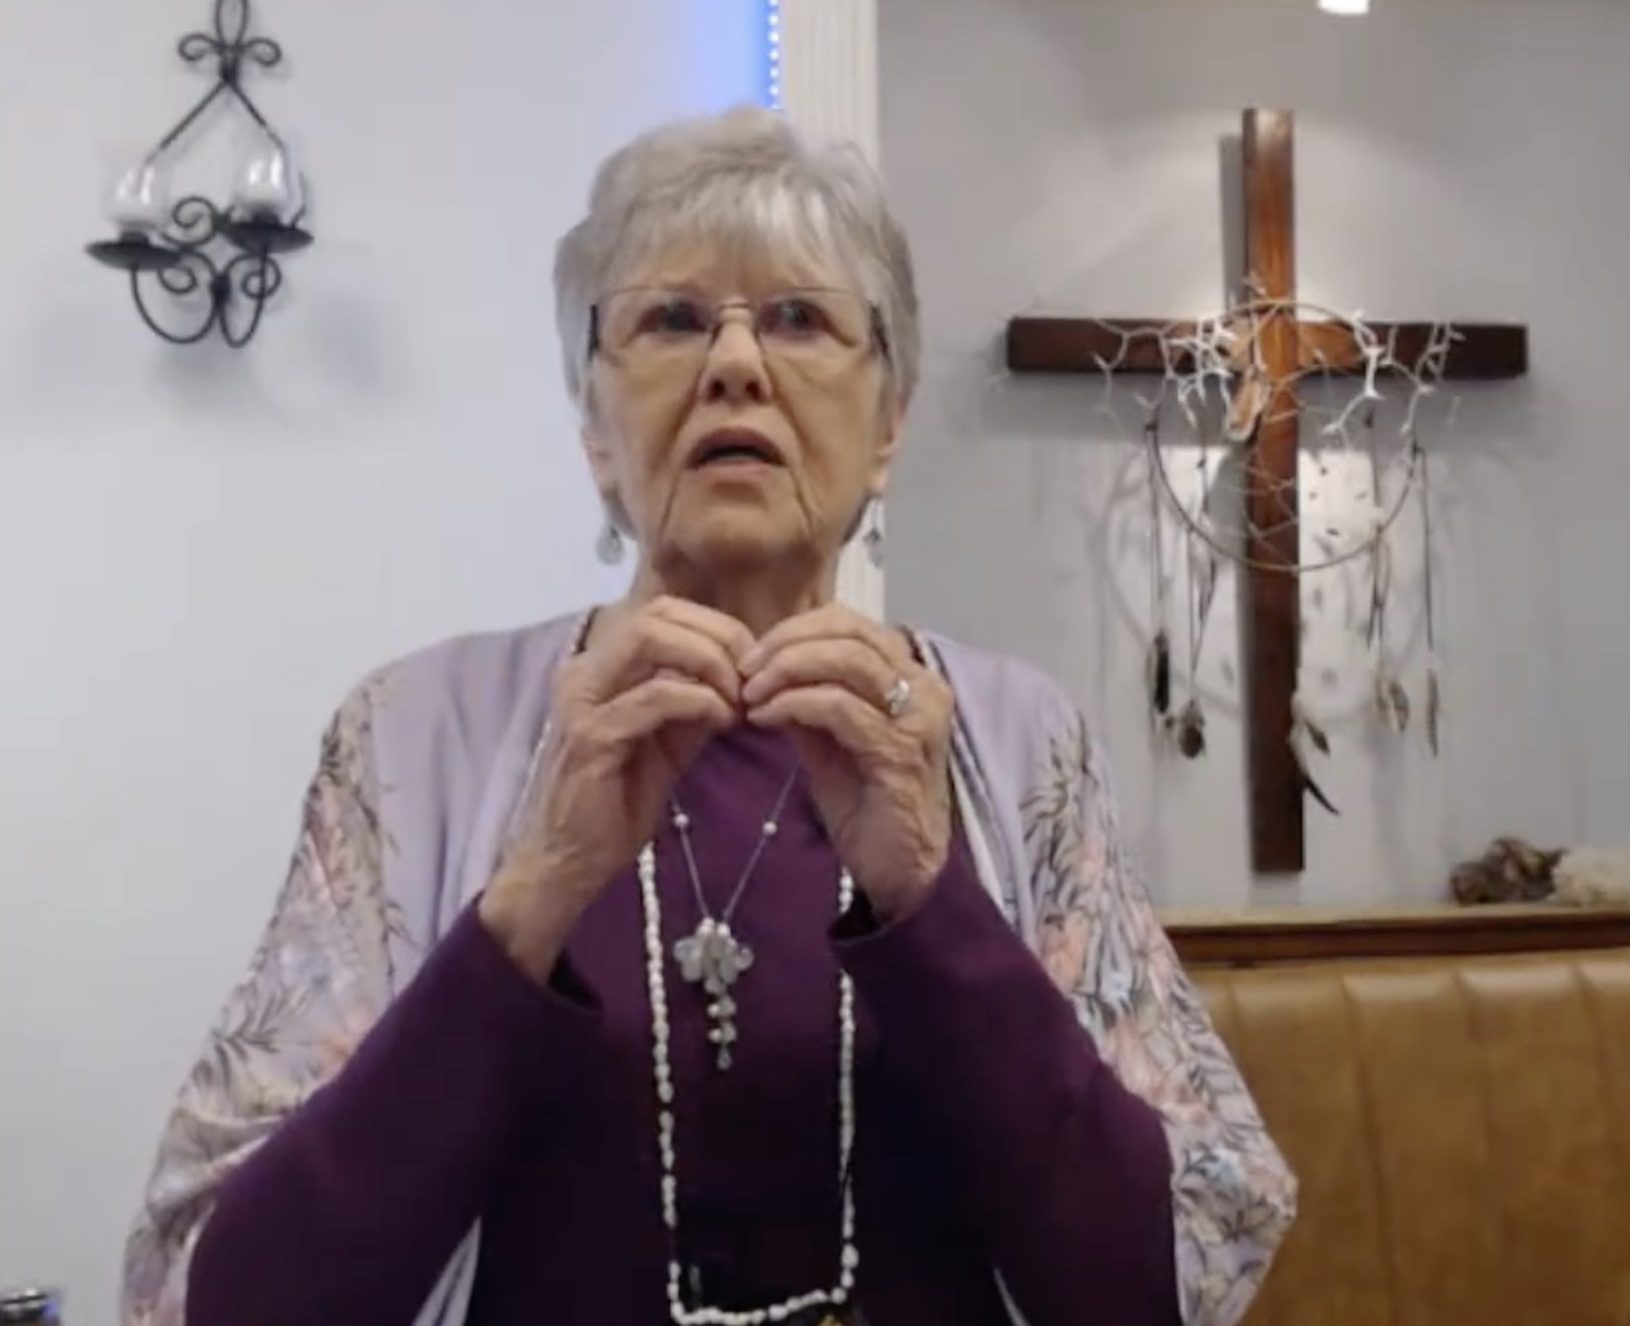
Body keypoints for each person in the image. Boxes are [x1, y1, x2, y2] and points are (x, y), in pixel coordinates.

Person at [120, 106, 1295, 1326]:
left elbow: (1168, 1277)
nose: (736, 364)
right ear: (594, 431)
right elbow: (225, 1296)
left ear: (887, 427)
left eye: (799, 319)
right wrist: (531, 895)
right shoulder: (411, 738)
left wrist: (934, 905)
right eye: (672, 320)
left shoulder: (1014, 737)